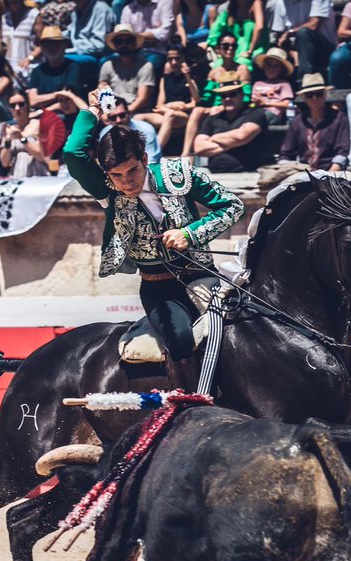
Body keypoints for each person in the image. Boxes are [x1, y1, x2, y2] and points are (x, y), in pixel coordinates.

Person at [62, 81, 245, 390]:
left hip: (205, 277)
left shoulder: (178, 175)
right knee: (181, 339)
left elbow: (233, 205)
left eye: (131, 171)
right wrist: (91, 110)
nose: (125, 182)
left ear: (145, 160)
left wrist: (191, 233)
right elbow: (73, 152)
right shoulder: (108, 190)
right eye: (116, 176)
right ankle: (193, 402)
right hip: (161, 289)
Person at [192, 74, 271, 171]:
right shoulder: (212, 119)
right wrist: (233, 144)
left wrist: (214, 138)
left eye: (232, 94)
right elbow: (199, 148)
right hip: (216, 178)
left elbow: (241, 136)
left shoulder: (255, 113)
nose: (228, 99)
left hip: (249, 174)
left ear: (241, 95)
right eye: (224, 96)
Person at [280, 72, 348, 171]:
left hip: (331, 172)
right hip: (302, 172)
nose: (314, 98)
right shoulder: (297, 121)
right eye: (309, 95)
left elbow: (343, 151)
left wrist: (330, 175)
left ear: (325, 95)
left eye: (318, 94)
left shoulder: (339, 118)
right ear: (304, 98)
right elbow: (286, 153)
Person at [137, 41, 201, 145]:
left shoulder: (191, 78)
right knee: (138, 118)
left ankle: (155, 152)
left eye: (177, 58)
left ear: (183, 58)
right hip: (167, 112)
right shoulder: (165, 79)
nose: (174, 62)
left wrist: (187, 77)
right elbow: (159, 104)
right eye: (170, 59)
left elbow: (196, 102)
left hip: (183, 116)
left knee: (170, 115)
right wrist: (169, 106)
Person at [270, 0, 336, 79]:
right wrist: (292, 53)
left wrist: (289, 33)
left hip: (324, 49)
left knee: (304, 33)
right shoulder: (281, 3)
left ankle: (304, 79)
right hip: (294, 50)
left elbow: (314, 24)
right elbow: (280, 36)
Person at [99, 24, 156, 114]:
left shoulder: (145, 66)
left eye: (128, 41)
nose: (123, 45)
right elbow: (102, 93)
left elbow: (142, 99)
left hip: (135, 112)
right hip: (113, 112)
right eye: (119, 41)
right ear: (115, 44)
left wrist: (123, 113)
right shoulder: (107, 65)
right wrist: (109, 113)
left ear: (134, 43)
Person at [27, 25, 84, 111]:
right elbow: (33, 101)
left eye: (56, 44)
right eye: (47, 44)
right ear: (42, 48)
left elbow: (66, 101)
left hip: (63, 116)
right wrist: (56, 95)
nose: (52, 47)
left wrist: (42, 111)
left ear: (64, 46)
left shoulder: (72, 67)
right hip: (40, 116)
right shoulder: (37, 71)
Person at [0, 91, 54, 176]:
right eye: (12, 105)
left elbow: (41, 156)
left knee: (23, 156)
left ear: (27, 106)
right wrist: (8, 141)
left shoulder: (39, 125)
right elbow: (5, 163)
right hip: (16, 173)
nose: (17, 108)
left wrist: (22, 138)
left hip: (39, 173)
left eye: (21, 104)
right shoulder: (7, 129)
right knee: (21, 157)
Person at [65, 0, 116, 85]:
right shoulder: (76, 11)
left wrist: (69, 50)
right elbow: (69, 32)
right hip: (79, 52)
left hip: (97, 56)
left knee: (65, 61)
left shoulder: (101, 10)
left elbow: (98, 46)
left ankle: (68, 93)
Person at [205, 0, 265, 71]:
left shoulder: (256, 2)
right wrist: (218, 48)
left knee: (242, 64)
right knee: (218, 66)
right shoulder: (230, 8)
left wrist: (249, 51)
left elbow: (259, 27)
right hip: (233, 50)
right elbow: (215, 31)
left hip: (253, 49)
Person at [100, 94, 161, 161]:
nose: (118, 120)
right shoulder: (104, 133)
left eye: (122, 115)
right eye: (113, 117)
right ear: (108, 119)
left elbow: (151, 160)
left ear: (129, 113)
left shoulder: (146, 129)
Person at [120, 0, 176, 71]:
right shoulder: (127, 10)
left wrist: (136, 36)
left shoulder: (165, 2)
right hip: (134, 51)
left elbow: (165, 33)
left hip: (158, 51)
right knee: (106, 61)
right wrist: (153, 35)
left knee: (151, 64)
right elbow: (124, 36)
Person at [250, 45, 294, 125]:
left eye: (275, 66)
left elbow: (287, 104)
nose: (271, 69)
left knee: (260, 117)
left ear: (281, 69)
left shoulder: (283, 84)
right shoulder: (257, 84)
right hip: (255, 112)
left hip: (272, 114)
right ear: (264, 66)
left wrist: (267, 104)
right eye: (268, 65)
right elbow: (253, 100)